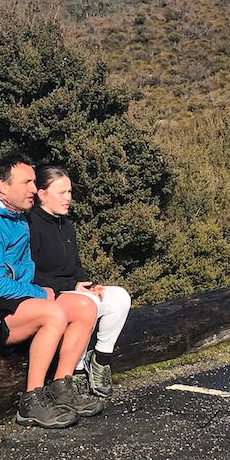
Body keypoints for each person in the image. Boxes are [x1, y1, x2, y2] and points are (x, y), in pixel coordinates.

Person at [0, 152, 104, 429]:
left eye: (34, 182)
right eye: (27, 183)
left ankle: (62, 386)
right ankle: (31, 401)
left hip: (13, 302)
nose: (34, 190)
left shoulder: (17, 217)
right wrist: (42, 294)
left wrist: (50, 290)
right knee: (54, 313)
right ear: (3, 186)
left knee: (86, 307)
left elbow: (26, 271)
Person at [28, 164, 132, 399]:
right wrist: (72, 287)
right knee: (86, 304)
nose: (68, 198)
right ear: (42, 195)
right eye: (62, 192)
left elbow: (74, 267)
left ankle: (100, 360)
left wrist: (88, 282)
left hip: (72, 290)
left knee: (119, 297)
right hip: (48, 296)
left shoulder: (67, 226)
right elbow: (31, 274)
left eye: (70, 192)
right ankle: (75, 371)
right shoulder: (31, 225)